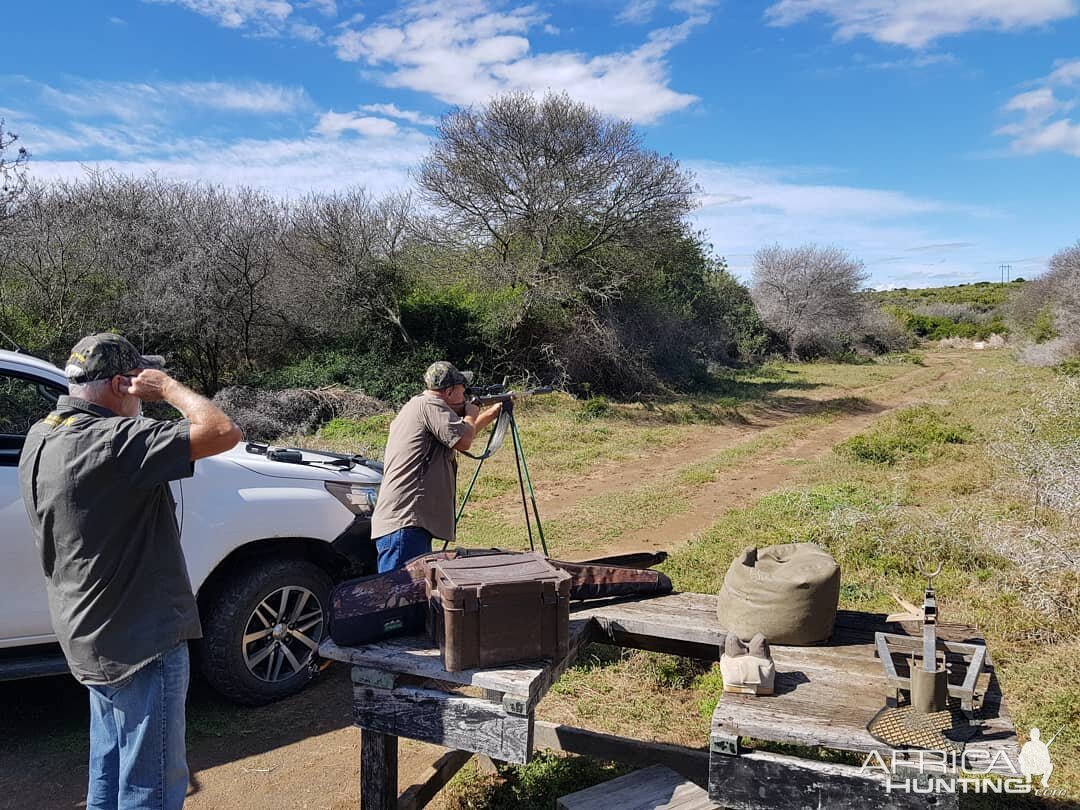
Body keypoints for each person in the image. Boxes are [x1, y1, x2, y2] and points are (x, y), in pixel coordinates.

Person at [18, 333, 242, 810]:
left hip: (90, 636)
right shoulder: (114, 440)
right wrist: (169, 390)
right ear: (123, 384)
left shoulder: (43, 434)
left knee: (110, 764)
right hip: (141, 640)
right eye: (137, 381)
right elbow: (223, 431)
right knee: (152, 785)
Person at [370, 361, 502, 572]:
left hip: (407, 522)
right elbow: (464, 441)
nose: (466, 394)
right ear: (449, 392)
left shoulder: (419, 405)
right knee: (399, 600)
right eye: (463, 390)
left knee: (410, 597)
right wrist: (471, 411)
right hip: (406, 523)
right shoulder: (432, 406)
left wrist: (492, 413)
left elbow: (461, 434)